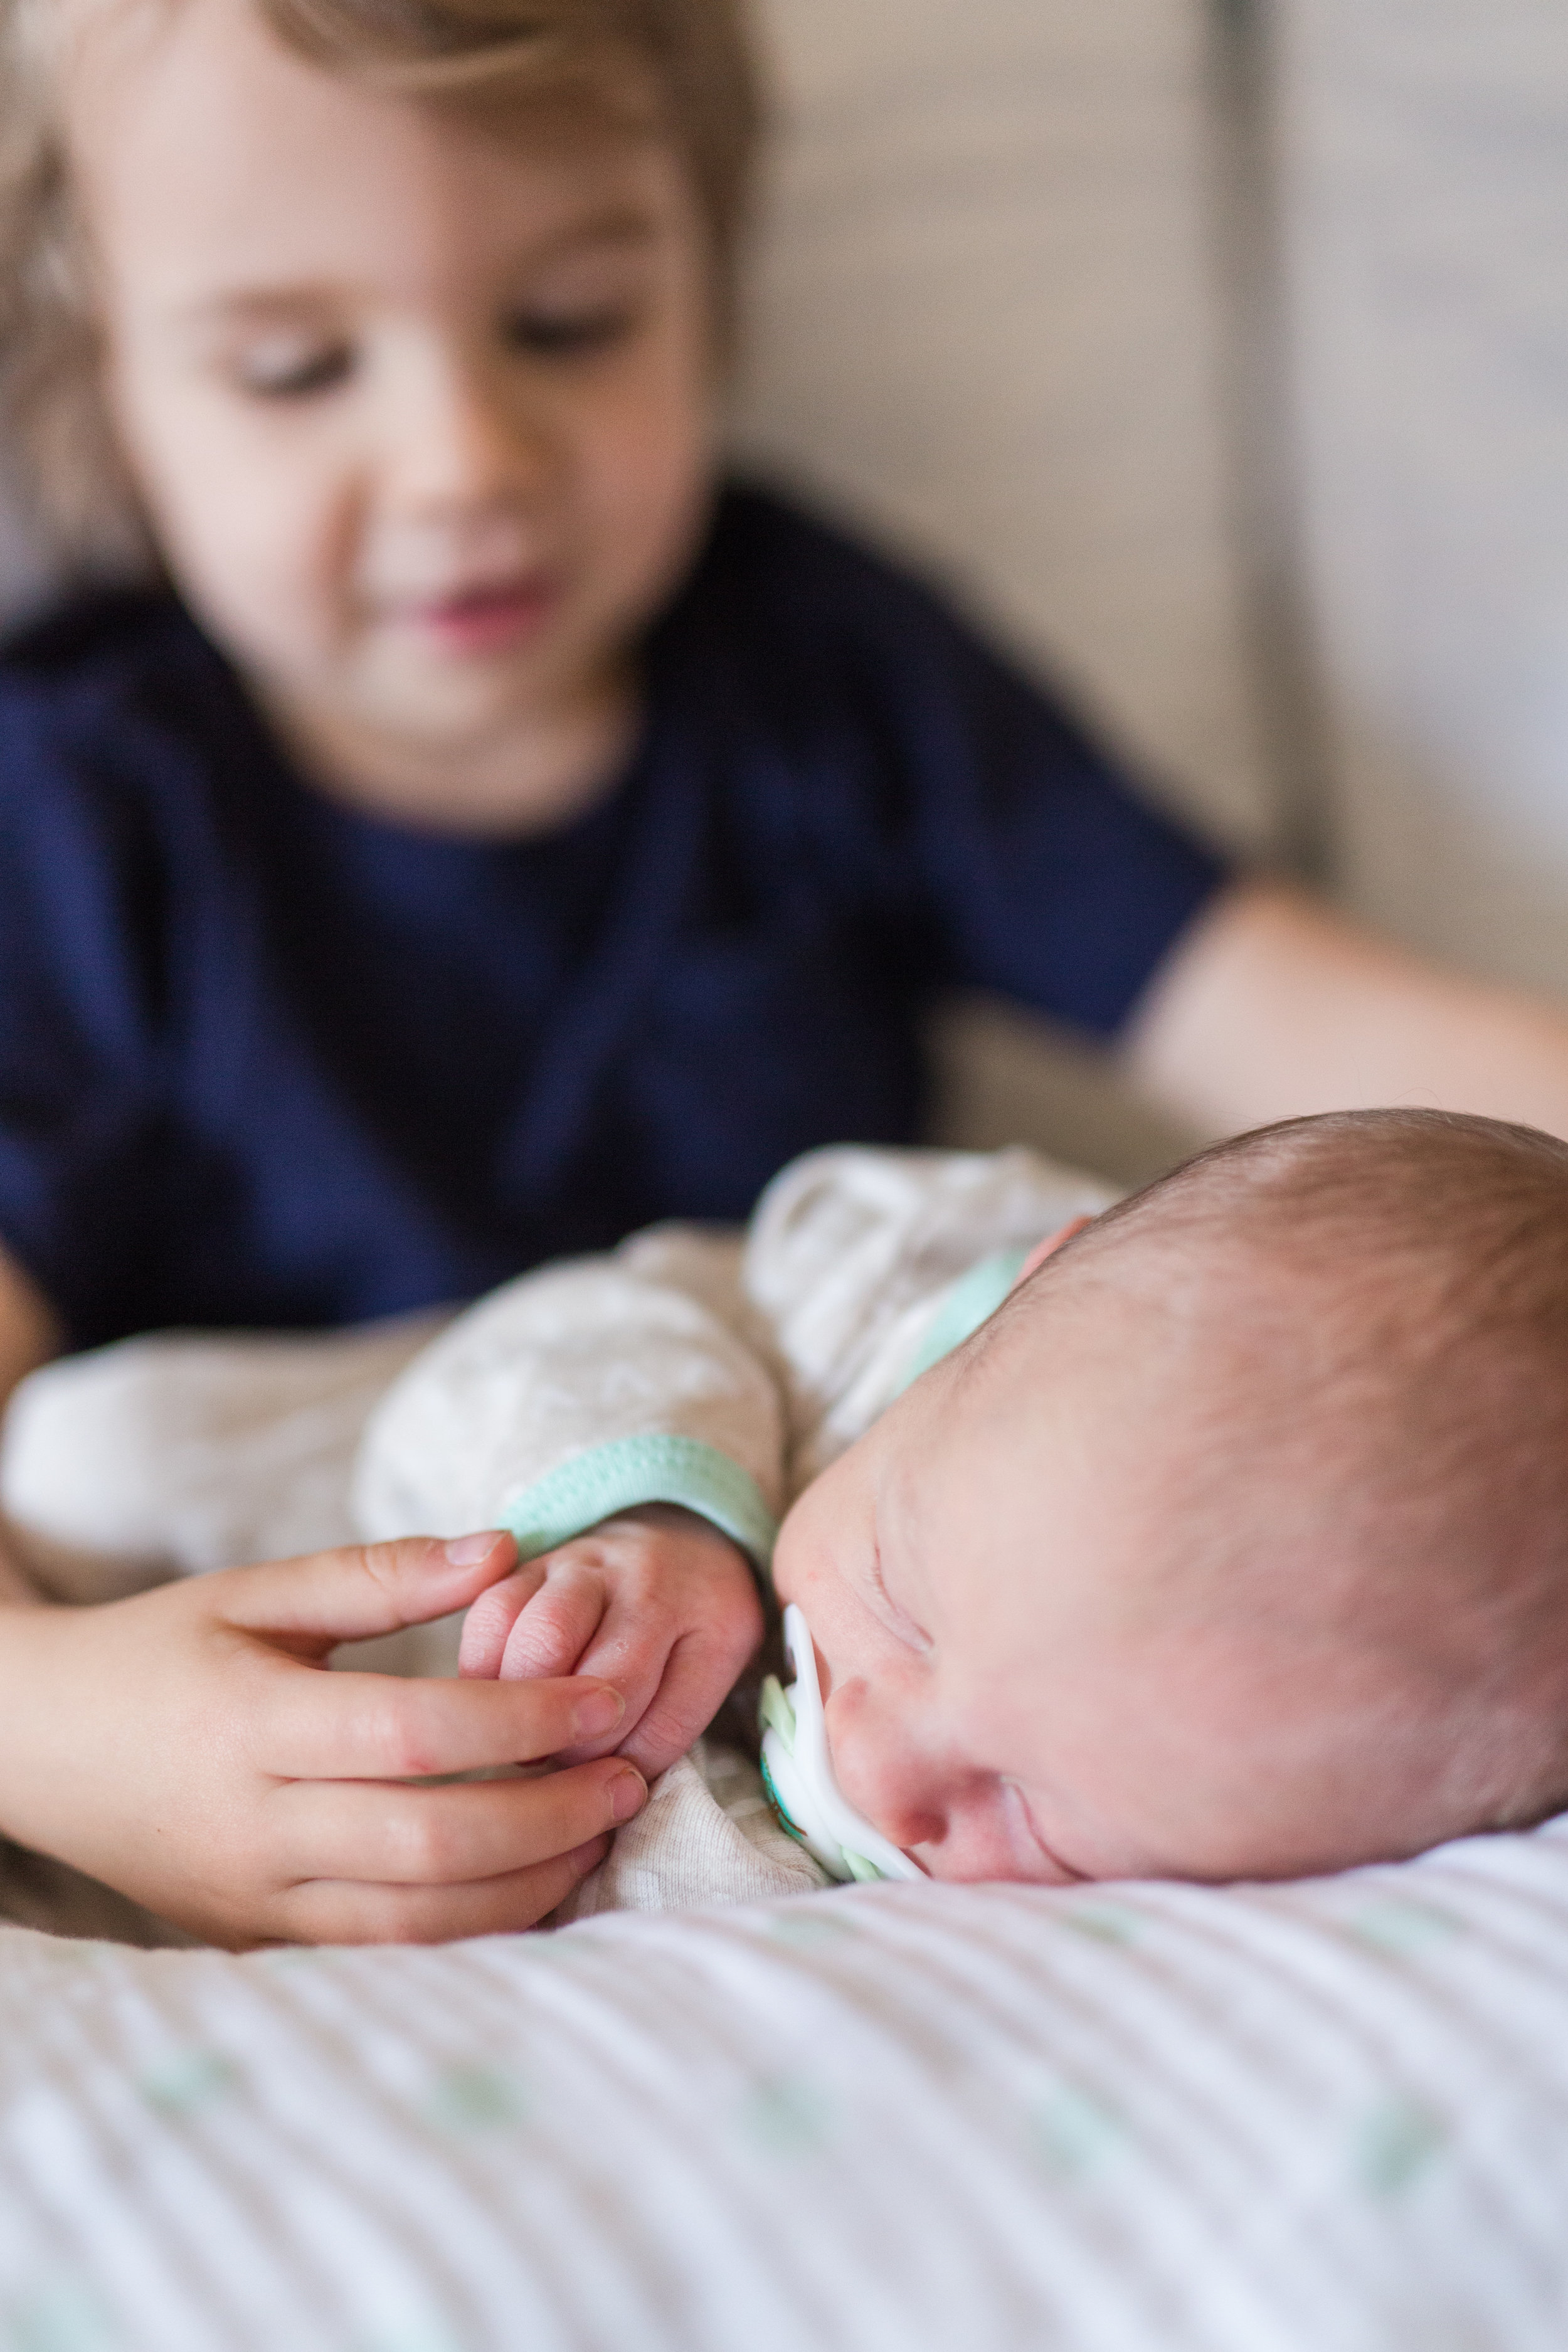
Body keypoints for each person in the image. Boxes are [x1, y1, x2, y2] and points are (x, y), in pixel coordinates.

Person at [5, 0, 1568, 1946]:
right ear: (104, 379)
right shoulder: (77, 809)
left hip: (831, 1584)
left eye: (570, 321)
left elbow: (1314, 1029)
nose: (460, 458)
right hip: (311, 1599)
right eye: (293, 366)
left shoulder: (826, 679)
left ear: (712, 281)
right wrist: (48, 1724)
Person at [357, 1108, 1568, 1901]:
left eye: (1041, 1817)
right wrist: (649, 1511)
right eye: (900, 1595)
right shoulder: (889, 1295)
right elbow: (553, 1334)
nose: (880, 1768)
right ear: (1008, 1306)